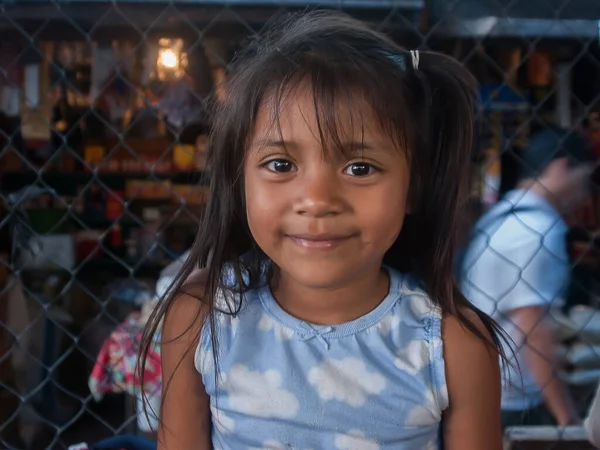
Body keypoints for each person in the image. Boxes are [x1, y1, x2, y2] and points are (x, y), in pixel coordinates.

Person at [140, 11, 506, 449]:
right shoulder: (202, 318)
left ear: (414, 188)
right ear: (240, 180)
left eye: (360, 167)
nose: (316, 199)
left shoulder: (452, 346)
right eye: (281, 165)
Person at [459, 127, 595, 429]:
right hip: (514, 400)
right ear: (561, 168)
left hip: (489, 384)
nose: (585, 195)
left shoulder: (505, 213)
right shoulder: (537, 229)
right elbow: (534, 329)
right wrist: (566, 417)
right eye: (584, 180)